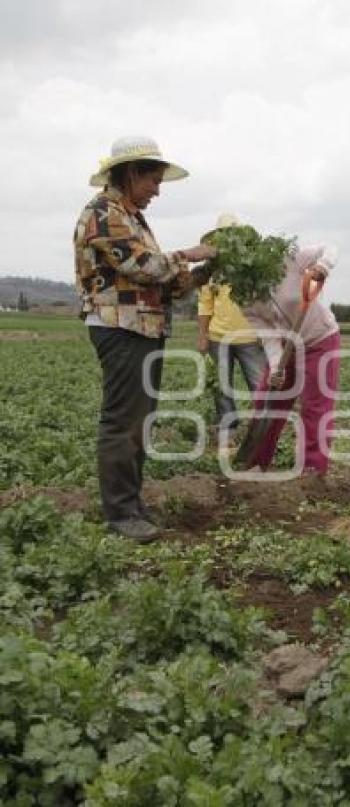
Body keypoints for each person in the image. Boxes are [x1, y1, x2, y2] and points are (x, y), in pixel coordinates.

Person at [74, 135, 216, 543]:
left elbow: (165, 283)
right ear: (133, 173)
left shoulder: (130, 215)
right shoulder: (103, 212)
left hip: (144, 328)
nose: (157, 190)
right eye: (154, 180)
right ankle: (121, 514)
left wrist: (204, 272)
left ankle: (132, 505)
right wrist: (189, 254)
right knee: (123, 421)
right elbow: (144, 266)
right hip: (120, 328)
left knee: (139, 421)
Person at [241, 243, 340, 475]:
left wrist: (323, 265)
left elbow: (331, 248)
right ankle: (257, 461)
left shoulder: (289, 260)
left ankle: (313, 468)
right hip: (287, 346)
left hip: (319, 340)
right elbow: (267, 335)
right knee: (268, 398)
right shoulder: (243, 297)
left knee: (315, 406)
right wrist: (277, 365)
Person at [197, 214, 268, 447]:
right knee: (222, 386)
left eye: (231, 235)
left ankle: (264, 433)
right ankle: (229, 429)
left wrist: (265, 333)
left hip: (250, 337)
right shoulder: (213, 271)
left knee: (260, 386)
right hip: (219, 337)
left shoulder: (252, 267)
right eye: (223, 236)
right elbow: (205, 304)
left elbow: (266, 301)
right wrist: (202, 336)